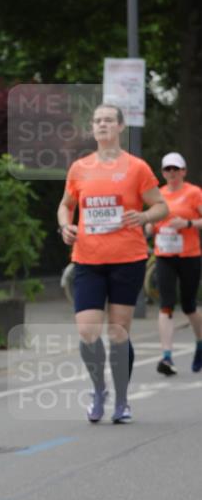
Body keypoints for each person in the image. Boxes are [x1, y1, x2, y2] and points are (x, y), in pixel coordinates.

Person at [57, 104, 167, 424]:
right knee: (88, 332)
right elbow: (65, 206)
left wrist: (144, 216)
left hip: (126, 258)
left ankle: (121, 398)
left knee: (119, 334)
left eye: (109, 120)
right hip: (87, 259)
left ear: (120, 127)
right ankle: (98, 389)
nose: (103, 124)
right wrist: (66, 226)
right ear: (92, 129)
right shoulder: (80, 168)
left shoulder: (137, 168)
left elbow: (161, 207)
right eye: (97, 121)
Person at [145, 152, 202, 376]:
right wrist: (149, 227)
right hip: (164, 255)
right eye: (167, 170)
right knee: (166, 304)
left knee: (189, 305)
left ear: (183, 172)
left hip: (189, 255)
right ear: (163, 172)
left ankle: (199, 344)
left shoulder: (194, 193)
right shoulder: (157, 194)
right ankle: (166, 357)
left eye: (176, 169)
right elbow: (148, 223)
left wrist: (187, 223)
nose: (172, 174)